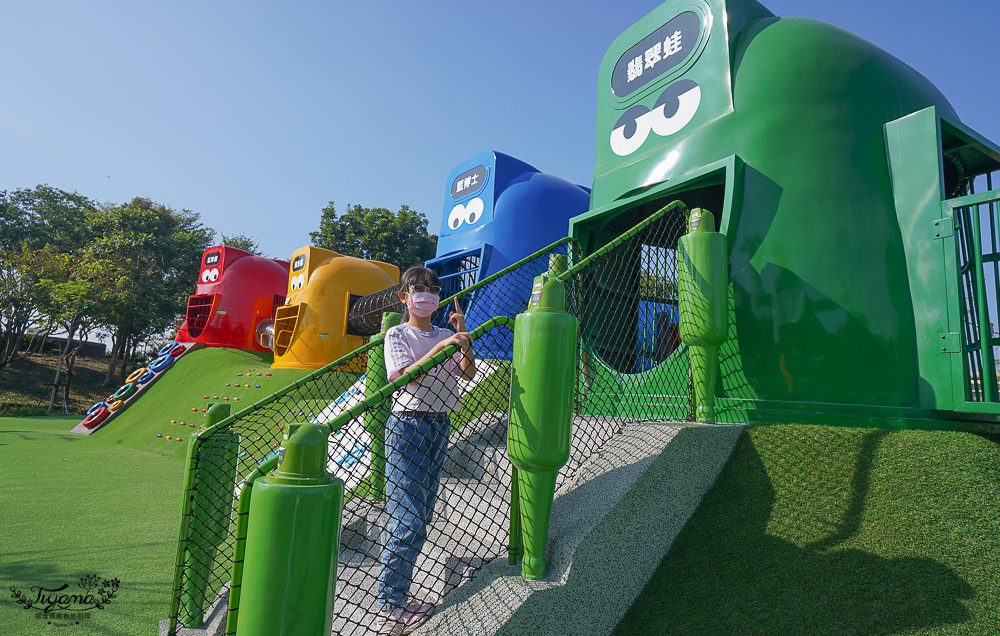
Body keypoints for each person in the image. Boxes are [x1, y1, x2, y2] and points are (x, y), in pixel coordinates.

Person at [376, 266, 475, 636]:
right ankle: (389, 605)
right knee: (408, 518)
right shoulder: (396, 334)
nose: (427, 295)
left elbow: (466, 372)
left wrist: (463, 337)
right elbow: (403, 376)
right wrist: (442, 346)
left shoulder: (448, 333)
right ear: (404, 297)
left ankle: (399, 597)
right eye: (417, 289)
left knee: (423, 515)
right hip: (407, 426)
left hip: (439, 424)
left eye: (433, 289)